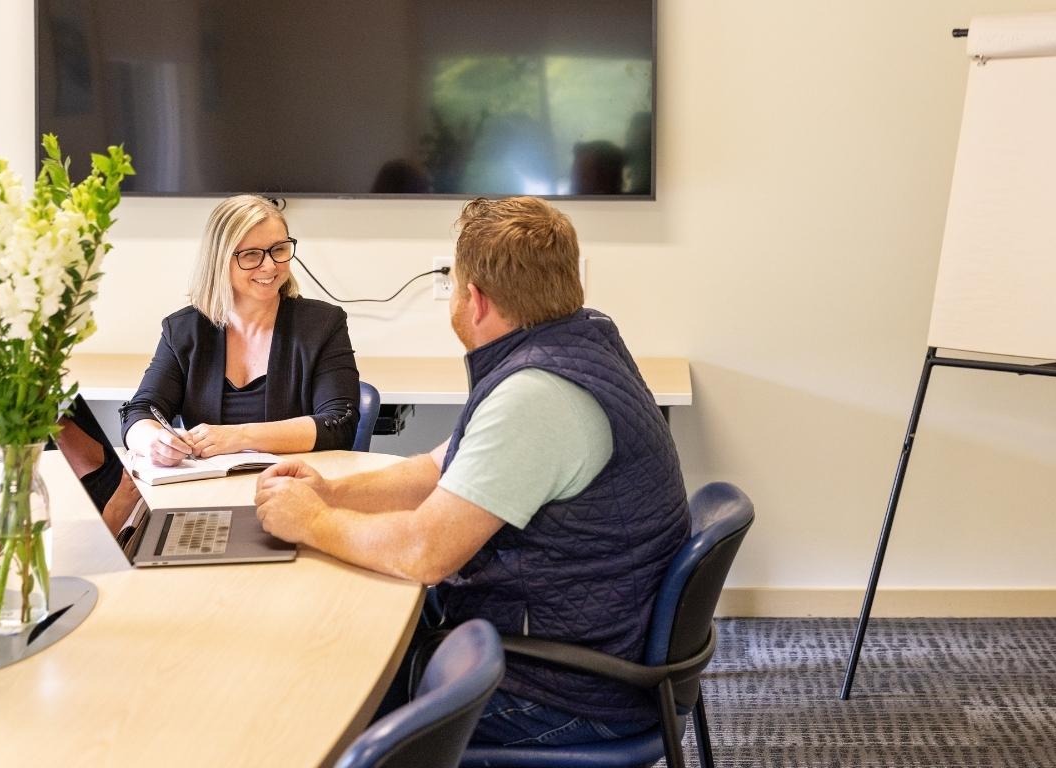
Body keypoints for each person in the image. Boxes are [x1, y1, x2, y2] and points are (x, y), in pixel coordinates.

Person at [253, 196, 689, 745]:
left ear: (475, 301)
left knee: (319, 709)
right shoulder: (576, 343)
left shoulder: (536, 397)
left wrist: (313, 522)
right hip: (586, 643)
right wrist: (333, 493)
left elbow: (423, 554)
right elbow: (440, 469)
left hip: (566, 692)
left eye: (454, 283)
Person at [120, 195, 359, 466]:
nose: (269, 266)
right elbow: (140, 412)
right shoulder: (184, 331)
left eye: (279, 249)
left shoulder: (322, 324)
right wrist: (152, 441)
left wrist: (240, 436)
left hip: (296, 488)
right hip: (208, 496)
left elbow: (340, 423)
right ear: (219, 261)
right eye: (251, 255)